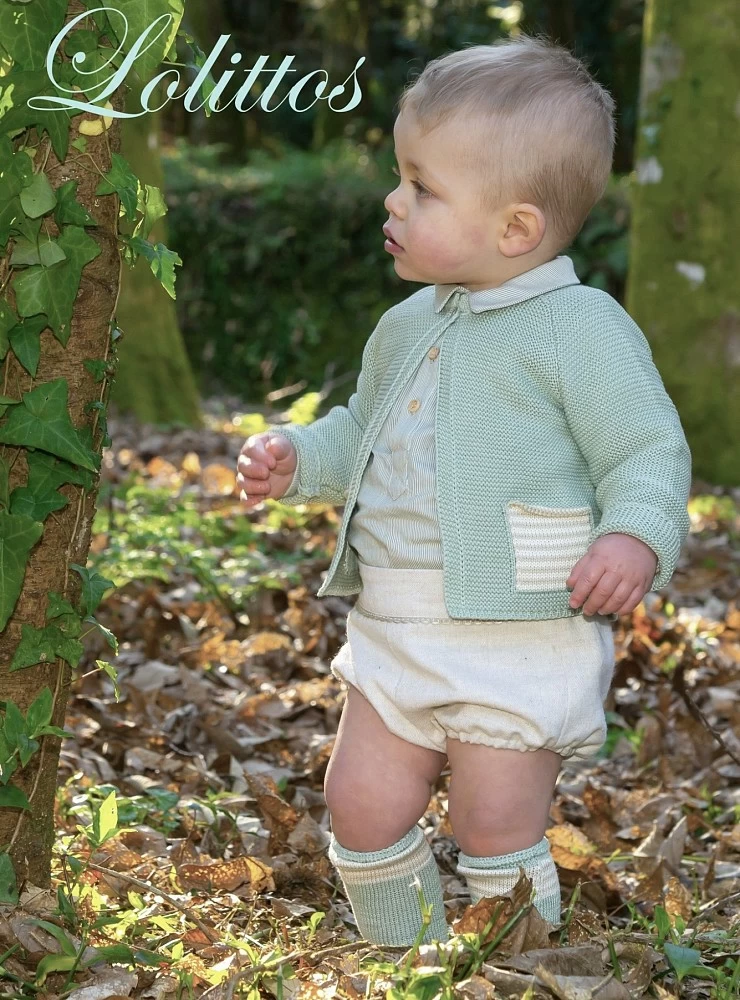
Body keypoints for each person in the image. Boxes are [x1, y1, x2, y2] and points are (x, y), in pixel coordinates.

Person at [236, 35, 692, 946]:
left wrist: (635, 535)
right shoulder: (406, 322)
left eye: (421, 187)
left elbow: (646, 447)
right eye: (401, 178)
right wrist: (299, 457)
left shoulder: (581, 327)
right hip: (396, 627)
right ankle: (403, 955)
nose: (392, 201)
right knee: (360, 805)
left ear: (515, 228)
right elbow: (363, 431)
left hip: (520, 629)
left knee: (495, 822)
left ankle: (510, 960)